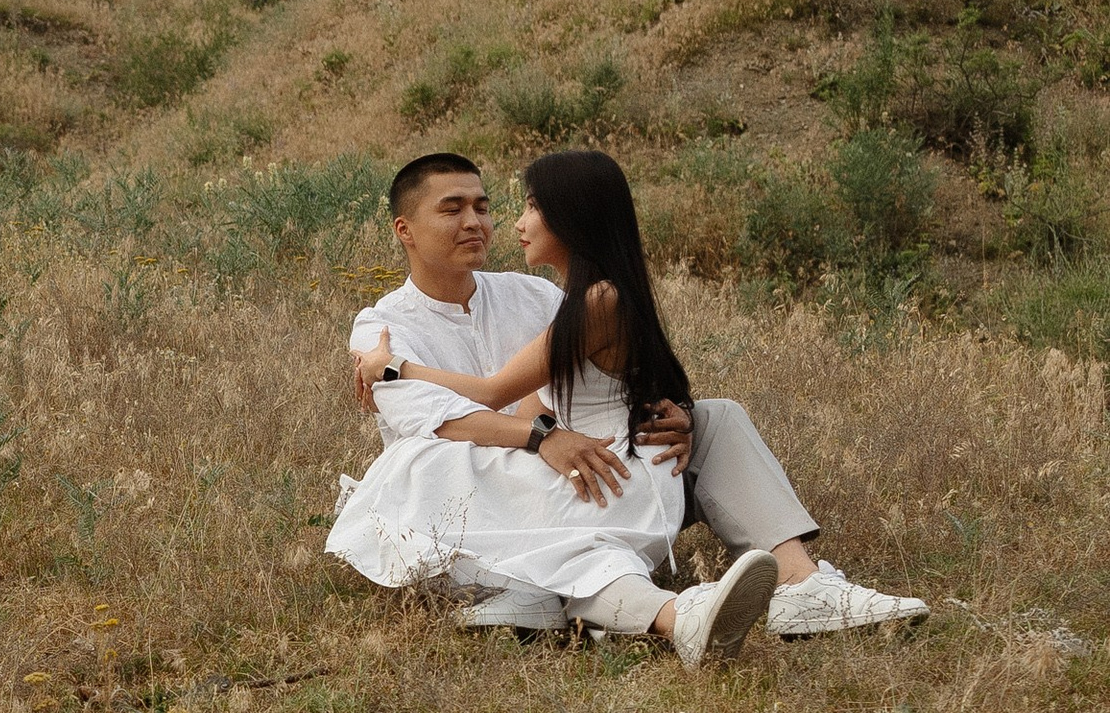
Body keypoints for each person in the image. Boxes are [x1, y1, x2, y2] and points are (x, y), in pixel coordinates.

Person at [331, 148, 928, 644]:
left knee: (717, 417)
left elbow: (575, 383)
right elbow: (441, 420)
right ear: (405, 230)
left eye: (483, 207)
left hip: (583, 466)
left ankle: (802, 583)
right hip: (478, 494)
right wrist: (542, 438)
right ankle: (640, 610)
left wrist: (674, 413)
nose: (478, 223)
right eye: (452, 209)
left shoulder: (535, 295)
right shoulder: (380, 328)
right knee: (430, 467)